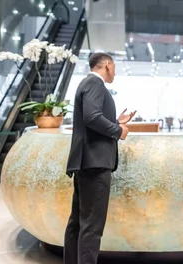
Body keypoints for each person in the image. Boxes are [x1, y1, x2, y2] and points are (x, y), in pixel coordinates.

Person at [64, 53, 136, 264]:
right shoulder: (96, 84)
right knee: (91, 227)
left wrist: (115, 121)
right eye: (114, 68)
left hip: (86, 162)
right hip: (95, 163)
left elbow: (92, 119)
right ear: (107, 64)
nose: (115, 72)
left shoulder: (86, 83)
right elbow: (92, 117)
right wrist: (117, 129)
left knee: (78, 223)